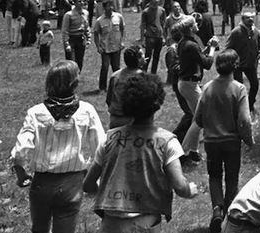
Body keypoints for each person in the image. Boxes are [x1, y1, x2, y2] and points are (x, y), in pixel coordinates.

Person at [83, 73, 200, 232]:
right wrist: (190, 189)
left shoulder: (109, 139)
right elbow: (180, 186)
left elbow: (88, 185)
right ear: (157, 103)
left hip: (110, 222)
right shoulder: (166, 142)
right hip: (146, 221)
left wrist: (110, 196)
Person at [10, 61, 106, 233]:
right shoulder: (87, 111)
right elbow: (101, 147)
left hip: (42, 182)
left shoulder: (36, 112)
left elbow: (20, 151)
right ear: (75, 83)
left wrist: (21, 173)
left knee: (39, 228)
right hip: (73, 183)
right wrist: (95, 179)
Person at [195, 49, 254, 233]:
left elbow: (197, 118)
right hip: (231, 142)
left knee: (214, 177)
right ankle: (229, 215)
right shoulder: (239, 88)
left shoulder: (207, 88)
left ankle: (217, 210)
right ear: (235, 66)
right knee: (231, 178)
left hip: (211, 142)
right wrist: (249, 139)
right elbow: (244, 120)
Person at [173, 16, 215, 165]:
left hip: (185, 84)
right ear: (191, 28)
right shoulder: (191, 45)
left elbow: (196, 57)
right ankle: (181, 154)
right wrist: (212, 48)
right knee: (199, 120)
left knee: (195, 118)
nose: (198, 25)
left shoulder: (183, 43)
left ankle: (194, 151)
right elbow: (207, 63)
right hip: (190, 85)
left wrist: (205, 48)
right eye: (195, 23)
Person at [225, 10, 260, 117]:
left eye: (252, 17)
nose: (250, 19)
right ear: (242, 19)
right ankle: (239, 107)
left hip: (251, 64)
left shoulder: (256, 32)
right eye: (247, 17)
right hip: (238, 65)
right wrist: (231, 59)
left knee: (255, 85)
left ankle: (250, 105)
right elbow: (228, 47)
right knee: (240, 88)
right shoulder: (236, 32)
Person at [106, 46, 146, 129]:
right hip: (133, 121)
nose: (144, 56)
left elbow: (109, 99)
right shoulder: (142, 77)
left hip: (115, 119)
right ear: (138, 60)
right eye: (142, 55)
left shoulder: (115, 76)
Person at [92, 0, 124, 92]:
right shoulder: (100, 21)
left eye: (111, 6)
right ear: (104, 8)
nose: (110, 8)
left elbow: (122, 29)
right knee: (105, 66)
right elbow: (96, 34)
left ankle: (117, 86)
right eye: (108, 6)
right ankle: (102, 87)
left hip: (116, 46)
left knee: (116, 67)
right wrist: (98, 47)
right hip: (105, 47)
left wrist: (122, 42)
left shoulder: (119, 17)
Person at [61, 0, 92, 70]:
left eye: (83, 1)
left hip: (81, 39)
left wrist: (89, 38)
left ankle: (77, 77)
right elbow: (65, 30)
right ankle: (70, 78)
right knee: (71, 61)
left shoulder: (86, 13)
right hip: (71, 39)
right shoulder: (68, 15)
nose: (82, 3)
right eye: (79, 1)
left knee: (80, 61)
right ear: (74, 3)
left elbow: (87, 26)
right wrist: (66, 43)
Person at [140, 0, 167, 74]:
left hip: (159, 36)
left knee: (156, 56)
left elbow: (164, 24)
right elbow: (143, 26)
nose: (156, 1)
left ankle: (153, 74)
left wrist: (164, 37)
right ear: (151, 0)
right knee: (148, 56)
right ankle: (144, 73)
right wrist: (142, 39)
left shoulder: (162, 11)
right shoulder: (146, 12)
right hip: (150, 36)